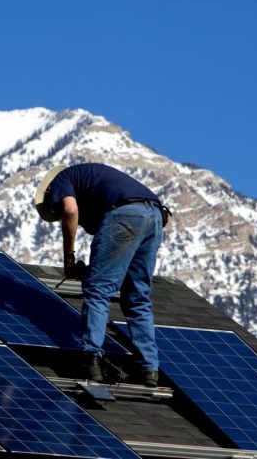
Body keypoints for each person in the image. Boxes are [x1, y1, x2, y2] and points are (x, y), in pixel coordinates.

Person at [34, 163, 170, 387]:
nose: (57, 213)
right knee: (138, 297)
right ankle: (148, 368)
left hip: (126, 213)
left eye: (53, 209)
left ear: (50, 193)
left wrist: (69, 258)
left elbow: (69, 210)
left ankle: (91, 358)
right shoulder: (93, 181)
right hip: (155, 216)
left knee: (97, 289)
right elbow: (113, 247)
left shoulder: (60, 181)